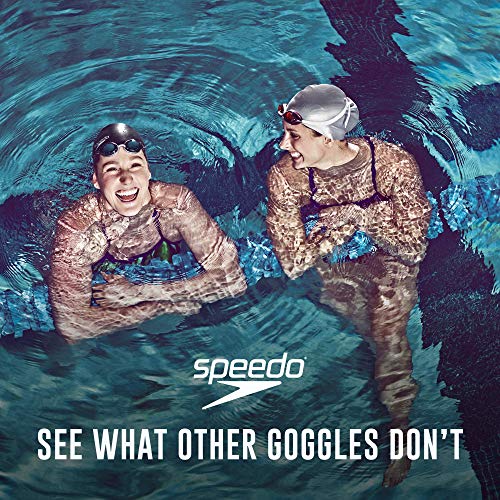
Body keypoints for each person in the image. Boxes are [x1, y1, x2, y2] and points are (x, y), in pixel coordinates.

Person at [266, 84, 432, 486]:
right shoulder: (286, 178)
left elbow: (414, 250)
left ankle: (401, 428)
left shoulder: (392, 165)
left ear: (327, 137)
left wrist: (360, 218)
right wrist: (335, 235)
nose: (283, 145)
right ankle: (387, 394)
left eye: (295, 136)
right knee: (370, 331)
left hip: (392, 264)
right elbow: (292, 263)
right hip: (337, 267)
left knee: (389, 336)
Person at [48, 123, 246, 342]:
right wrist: (160, 308)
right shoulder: (79, 229)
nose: (126, 178)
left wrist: (142, 293)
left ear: (148, 171)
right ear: (96, 179)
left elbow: (233, 281)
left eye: (135, 165)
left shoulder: (176, 205)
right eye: (112, 169)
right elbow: (73, 327)